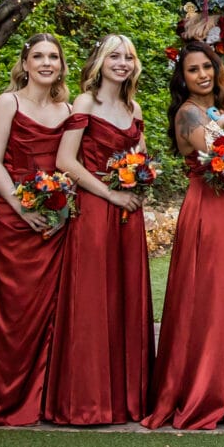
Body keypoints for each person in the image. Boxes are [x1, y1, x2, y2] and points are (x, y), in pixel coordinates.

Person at [145, 43, 224, 430]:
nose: (201, 75)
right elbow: (222, 158)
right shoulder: (188, 114)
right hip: (210, 208)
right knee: (211, 297)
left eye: (206, 67)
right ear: (182, 78)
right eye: (192, 69)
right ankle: (206, 390)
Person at [48, 34, 154, 425]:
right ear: (100, 61)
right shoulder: (85, 103)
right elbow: (65, 161)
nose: (123, 62)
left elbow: (140, 156)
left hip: (129, 210)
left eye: (129, 56)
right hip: (95, 208)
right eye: (115, 56)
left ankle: (126, 399)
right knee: (94, 296)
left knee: (125, 294)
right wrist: (111, 194)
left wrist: (140, 182)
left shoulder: (134, 106)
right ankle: (88, 400)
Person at [0, 34, 74, 426]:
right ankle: (1, 399)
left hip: (52, 220)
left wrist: (60, 207)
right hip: (9, 216)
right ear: (26, 62)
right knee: (9, 309)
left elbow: (69, 164)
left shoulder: (68, 108)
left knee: (45, 311)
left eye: (53, 56)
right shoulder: (8, 102)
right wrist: (20, 207)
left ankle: (39, 398)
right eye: (39, 56)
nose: (47, 62)